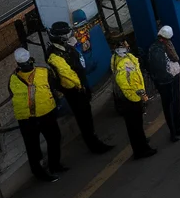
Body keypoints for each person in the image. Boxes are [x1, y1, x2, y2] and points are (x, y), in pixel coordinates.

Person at [43, 26, 112, 154]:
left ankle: (93, 138)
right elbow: (67, 74)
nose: (69, 36)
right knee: (83, 118)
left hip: (80, 86)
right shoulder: (55, 55)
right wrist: (80, 86)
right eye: (66, 35)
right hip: (74, 91)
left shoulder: (65, 48)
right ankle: (94, 144)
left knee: (87, 115)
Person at [9, 48, 65, 182]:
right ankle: (48, 168)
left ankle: (50, 167)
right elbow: (53, 88)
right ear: (31, 59)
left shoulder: (12, 79)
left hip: (30, 117)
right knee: (39, 145)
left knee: (40, 144)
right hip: (40, 115)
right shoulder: (43, 72)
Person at [110, 38, 156, 158]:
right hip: (131, 99)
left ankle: (141, 143)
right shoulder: (124, 62)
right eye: (125, 43)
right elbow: (124, 83)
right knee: (135, 125)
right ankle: (141, 150)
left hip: (129, 98)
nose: (128, 45)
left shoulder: (117, 58)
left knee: (135, 125)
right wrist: (136, 97)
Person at [147, 25, 180, 143]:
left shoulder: (166, 45)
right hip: (166, 83)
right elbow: (160, 69)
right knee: (169, 107)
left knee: (175, 102)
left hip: (172, 79)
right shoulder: (156, 50)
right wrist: (169, 78)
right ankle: (173, 132)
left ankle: (178, 126)